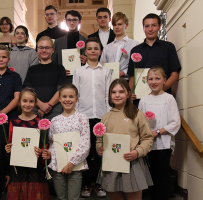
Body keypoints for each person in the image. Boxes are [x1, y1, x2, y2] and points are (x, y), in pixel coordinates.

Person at [96, 78, 153, 200]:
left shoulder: (137, 114)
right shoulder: (105, 117)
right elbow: (100, 140)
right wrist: (99, 149)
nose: (117, 95)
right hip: (112, 165)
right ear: (110, 95)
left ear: (128, 94)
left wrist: (137, 152)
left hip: (132, 163)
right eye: (113, 92)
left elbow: (147, 138)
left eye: (121, 92)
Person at [73, 37, 112, 197]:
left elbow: (109, 94)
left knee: (100, 152)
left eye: (96, 48)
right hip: (84, 117)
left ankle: (98, 184)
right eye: (90, 49)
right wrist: (76, 116)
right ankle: (86, 185)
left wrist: (109, 116)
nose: (93, 51)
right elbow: (76, 95)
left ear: (100, 51)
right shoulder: (79, 71)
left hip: (102, 117)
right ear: (85, 51)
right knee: (86, 152)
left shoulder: (106, 71)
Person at [138, 67, 181, 200]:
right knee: (150, 175)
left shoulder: (169, 99)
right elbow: (139, 122)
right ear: (146, 81)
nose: (154, 81)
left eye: (157, 78)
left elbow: (175, 122)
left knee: (162, 175)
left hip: (163, 144)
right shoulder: (143, 100)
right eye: (151, 79)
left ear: (164, 80)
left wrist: (157, 132)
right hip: (148, 145)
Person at [42, 83, 90, 200]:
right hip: (58, 166)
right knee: (61, 197)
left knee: (73, 197)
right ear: (59, 99)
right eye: (64, 96)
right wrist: (49, 153)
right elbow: (53, 144)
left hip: (75, 165)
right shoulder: (54, 120)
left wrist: (71, 163)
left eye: (71, 97)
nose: (67, 99)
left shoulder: (82, 118)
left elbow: (85, 144)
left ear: (76, 99)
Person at [5, 87, 50, 200]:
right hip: (19, 170)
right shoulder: (13, 122)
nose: (28, 104)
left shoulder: (41, 122)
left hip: (36, 169)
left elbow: (45, 146)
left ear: (35, 103)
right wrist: (8, 149)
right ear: (19, 103)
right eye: (25, 101)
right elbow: (10, 143)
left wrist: (41, 152)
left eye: (31, 101)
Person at [127, 13, 181, 100]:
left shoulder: (168, 47)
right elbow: (132, 76)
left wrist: (160, 90)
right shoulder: (135, 51)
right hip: (141, 99)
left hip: (163, 97)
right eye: (147, 26)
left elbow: (175, 74)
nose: (150, 29)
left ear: (159, 27)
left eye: (154, 25)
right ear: (143, 28)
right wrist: (132, 92)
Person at [23, 36, 66, 119]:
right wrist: (41, 105)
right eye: (41, 48)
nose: (44, 50)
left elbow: (61, 90)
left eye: (47, 48)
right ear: (37, 50)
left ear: (53, 50)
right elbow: (28, 90)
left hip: (55, 111)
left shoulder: (59, 68)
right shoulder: (32, 69)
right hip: (35, 110)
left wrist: (47, 106)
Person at [100, 12, 139, 80]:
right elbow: (102, 66)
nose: (117, 27)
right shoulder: (107, 47)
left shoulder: (135, 44)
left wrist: (124, 72)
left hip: (127, 81)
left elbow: (138, 66)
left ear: (126, 25)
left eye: (120, 24)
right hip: (110, 81)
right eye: (114, 25)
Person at [52, 10, 87, 83]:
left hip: (83, 80)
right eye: (69, 20)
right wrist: (60, 71)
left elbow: (94, 61)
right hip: (64, 80)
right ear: (66, 22)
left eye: (74, 20)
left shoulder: (87, 41)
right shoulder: (58, 42)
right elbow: (53, 62)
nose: (71, 22)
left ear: (79, 22)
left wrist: (87, 61)